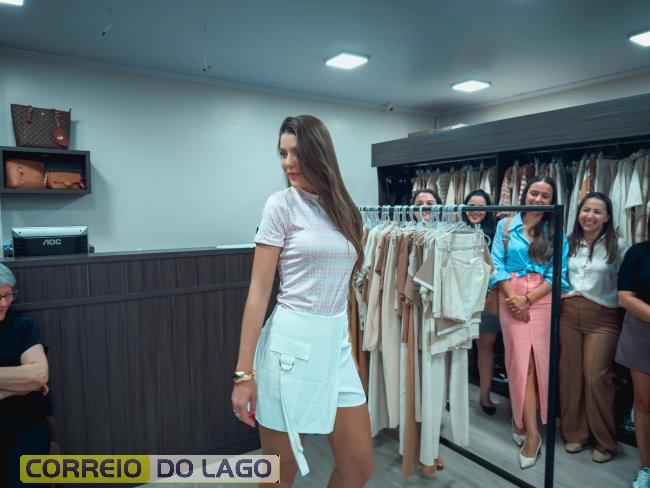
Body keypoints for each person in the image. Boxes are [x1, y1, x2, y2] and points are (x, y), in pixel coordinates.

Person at [231, 115, 374, 488]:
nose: (288, 163)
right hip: (289, 349)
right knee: (281, 474)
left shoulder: (344, 208)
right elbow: (259, 291)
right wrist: (244, 374)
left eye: (297, 153)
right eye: (282, 153)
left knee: (359, 467)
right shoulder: (280, 205)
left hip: (335, 346)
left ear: (319, 153)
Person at [489, 175, 569, 469]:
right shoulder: (505, 226)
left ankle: (524, 421)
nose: (538, 199)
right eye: (534, 192)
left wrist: (528, 299)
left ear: (552, 201)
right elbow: (495, 265)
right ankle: (532, 433)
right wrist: (514, 298)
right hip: (510, 295)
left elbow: (558, 274)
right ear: (525, 193)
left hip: (542, 298)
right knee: (519, 363)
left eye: (545, 195)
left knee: (537, 363)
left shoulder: (555, 229)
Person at [559, 192, 629, 463]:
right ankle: (575, 433)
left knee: (596, 378)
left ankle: (605, 442)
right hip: (568, 314)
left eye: (597, 211)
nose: (590, 216)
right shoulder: (568, 242)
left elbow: (627, 283)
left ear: (607, 217)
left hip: (603, 318)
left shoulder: (618, 246)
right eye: (586, 210)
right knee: (570, 375)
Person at [0, 263, 51, 488]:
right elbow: (30, 381)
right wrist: (20, 385)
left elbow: (38, 375)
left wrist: (31, 382)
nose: (4, 303)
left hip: (25, 426)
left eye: (8, 295)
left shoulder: (23, 327)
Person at [616, 216, 650, 488]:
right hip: (641, 333)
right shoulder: (637, 252)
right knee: (644, 403)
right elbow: (624, 297)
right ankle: (646, 466)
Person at [462, 189, 499, 416]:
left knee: (485, 347)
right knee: (458, 347)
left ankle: (485, 395)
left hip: (487, 298)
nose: (476, 211)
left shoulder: (495, 234)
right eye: (472, 206)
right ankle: (452, 394)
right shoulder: (453, 232)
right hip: (461, 297)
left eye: (481, 207)